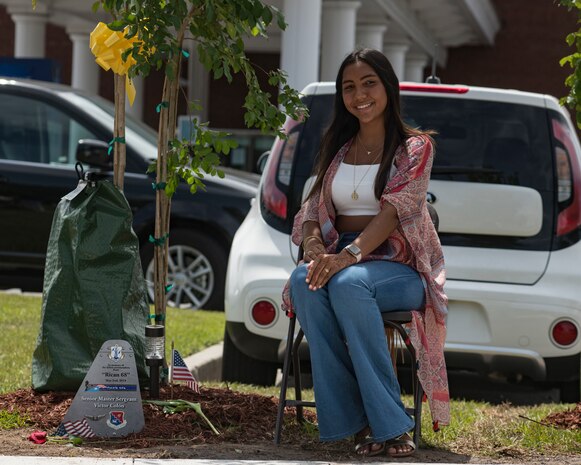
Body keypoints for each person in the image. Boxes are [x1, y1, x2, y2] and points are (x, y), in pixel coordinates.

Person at [281, 49, 450, 458]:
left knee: (350, 285)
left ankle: (390, 425)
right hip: (344, 266)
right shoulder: (339, 148)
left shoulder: (414, 148)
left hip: (399, 269)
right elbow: (312, 206)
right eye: (349, 87)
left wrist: (348, 256)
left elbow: (395, 211)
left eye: (369, 83)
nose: (360, 94)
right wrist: (316, 246)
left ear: (388, 87)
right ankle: (353, 422)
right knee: (302, 285)